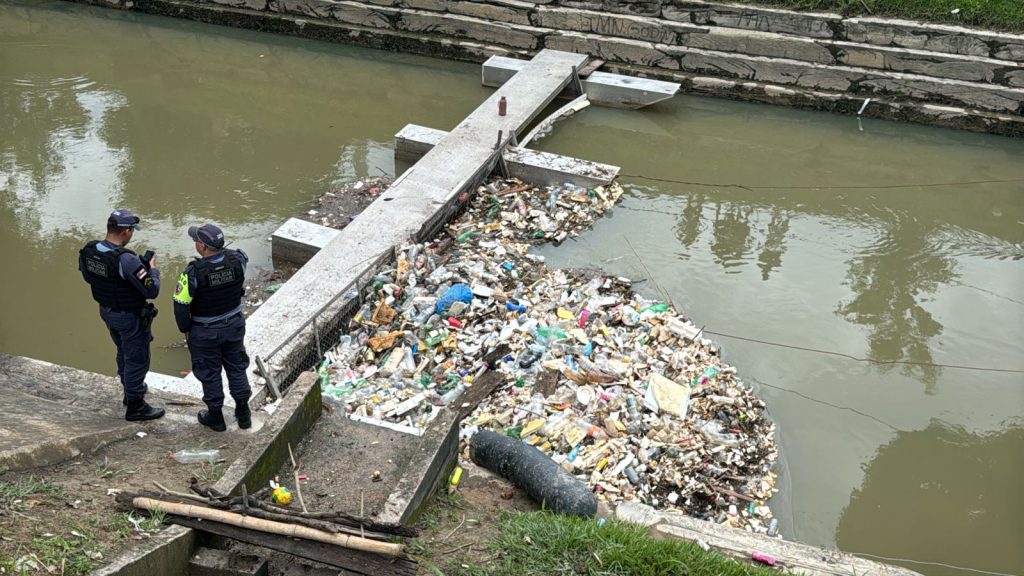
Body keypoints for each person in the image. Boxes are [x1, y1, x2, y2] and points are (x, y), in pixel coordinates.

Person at [79, 209, 165, 421]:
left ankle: (130, 388)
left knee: (123, 349)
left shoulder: (90, 250)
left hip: (107, 311)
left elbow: (88, 277)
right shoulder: (127, 260)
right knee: (137, 358)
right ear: (126, 231)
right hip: (129, 316)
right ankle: (135, 405)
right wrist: (152, 270)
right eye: (132, 231)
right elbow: (152, 290)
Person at [173, 223, 251, 432]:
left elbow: (180, 306)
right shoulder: (239, 260)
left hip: (205, 332)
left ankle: (216, 418)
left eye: (196, 240)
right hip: (234, 326)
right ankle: (244, 414)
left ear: (203, 247)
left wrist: (185, 329)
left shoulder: (192, 274)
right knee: (237, 367)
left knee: (209, 373)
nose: (194, 243)